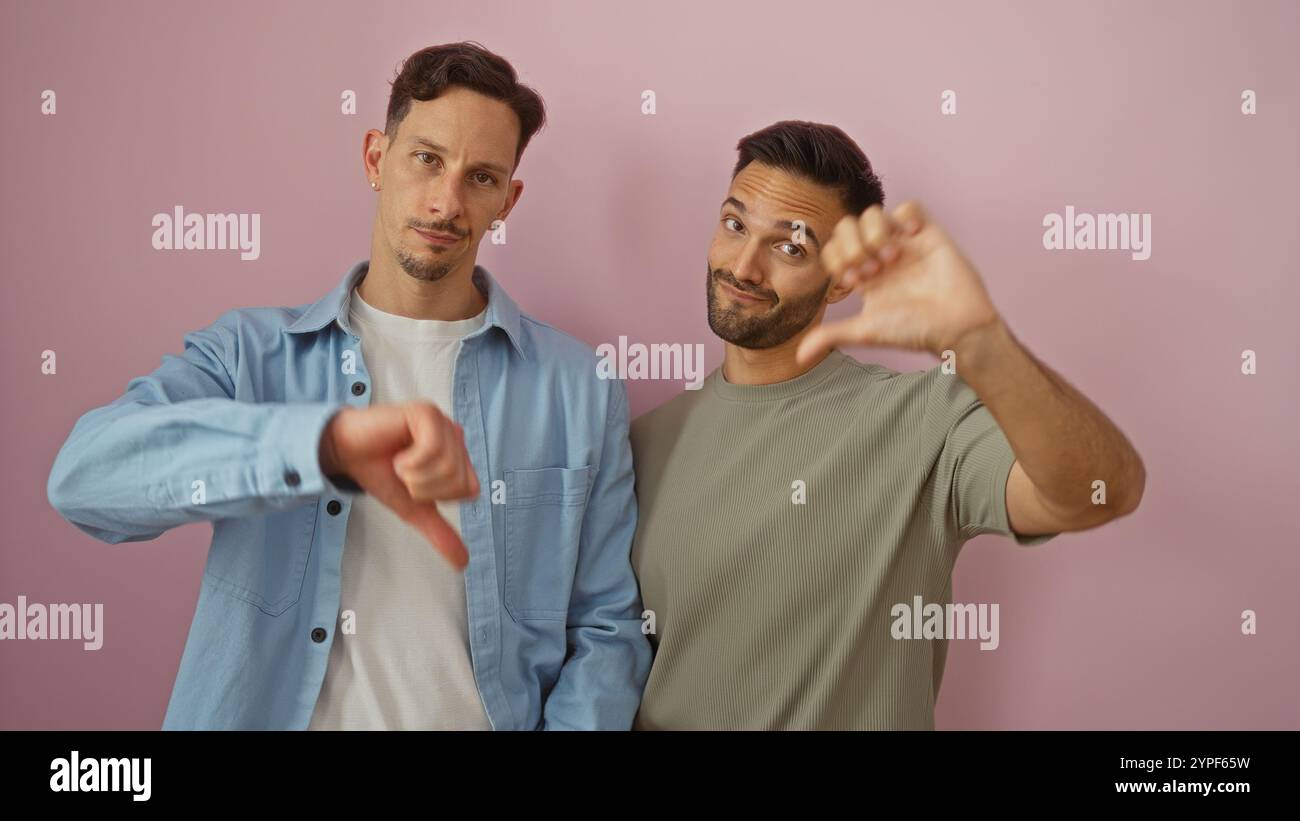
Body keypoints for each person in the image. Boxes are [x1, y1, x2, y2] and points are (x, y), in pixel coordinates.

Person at [46, 41, 650, 730]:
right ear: (375, 159)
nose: (446, 201)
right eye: (427, 158)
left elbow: (606, 626)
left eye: (481, 177)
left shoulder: (578, 388)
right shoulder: (251, 356)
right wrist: (321, 444)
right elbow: (84, 478)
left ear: (506, 201)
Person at [629, 120, 1145, 730]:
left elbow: (1101, 493)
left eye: (790, 246)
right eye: (734, 224)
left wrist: (979, 342)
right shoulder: (638, 442)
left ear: (842, 278)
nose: (743, 267)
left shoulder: (927, 420)